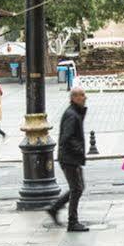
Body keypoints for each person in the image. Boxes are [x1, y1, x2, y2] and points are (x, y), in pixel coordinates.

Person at [46, 87, 89, 232]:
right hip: (69, 158)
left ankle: (55, 208)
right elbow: (67, 138)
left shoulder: (75, 112)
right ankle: (72, 222)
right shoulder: (71, 114)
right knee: (77, 188)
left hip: (71, 157)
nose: (85, 98)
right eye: (82, 95)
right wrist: (79, 150)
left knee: (78, 187)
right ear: (74, 98)